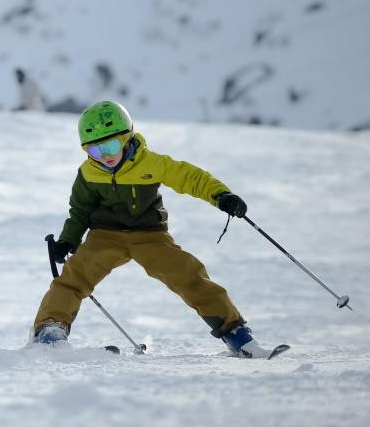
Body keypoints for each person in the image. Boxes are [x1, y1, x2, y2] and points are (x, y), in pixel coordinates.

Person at [31, 100, 271, 357]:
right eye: (95, 150)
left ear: (126, 138)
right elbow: (80, 211)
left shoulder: (150, 163)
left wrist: (220, 195)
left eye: (111, 145)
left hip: (150, 236)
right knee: (73, 277)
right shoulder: (88, 173)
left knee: (188, 275)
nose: (106, 156)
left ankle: (236, 333)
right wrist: (69, 241)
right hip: (105, 236)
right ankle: (50, 329)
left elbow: (189, 177)